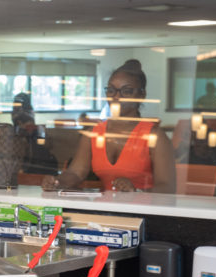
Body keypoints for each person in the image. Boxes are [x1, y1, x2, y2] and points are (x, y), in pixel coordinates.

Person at [42, 60, 175, 193]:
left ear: (142, 95)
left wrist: (137, 191)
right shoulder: (94, 133)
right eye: (111, 90)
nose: (116, 96)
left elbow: (167, 187)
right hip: (107, 209)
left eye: (126, 91)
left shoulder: (155, 136)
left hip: (145, 211)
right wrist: (57, 182)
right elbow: (76, 172)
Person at [11, 92, 58, 175]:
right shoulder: (17, 131)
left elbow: (46, 144)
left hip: (35, 164)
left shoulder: (37, 130)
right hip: (26, 161)